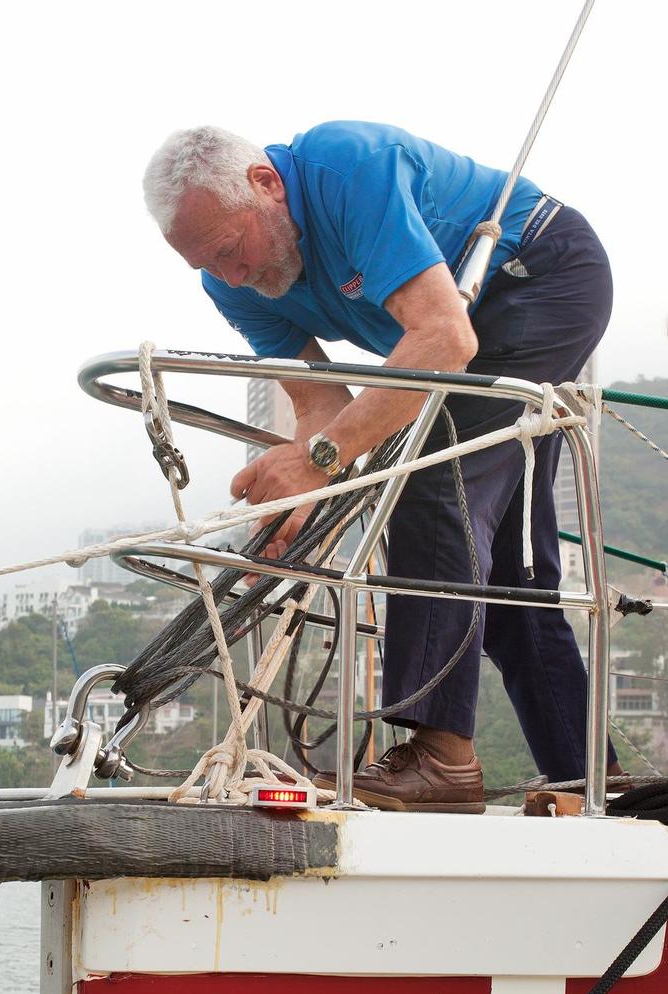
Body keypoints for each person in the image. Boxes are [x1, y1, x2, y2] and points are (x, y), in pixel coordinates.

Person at [143, 121, 621, 812]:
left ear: (266, 184)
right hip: (462, 337)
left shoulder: (346, 168)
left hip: (538, 275)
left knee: (430, 486)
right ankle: (591, 779)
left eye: (230, 250)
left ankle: (440, 762)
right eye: (207, 267)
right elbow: (317, 406)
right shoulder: (235, 288)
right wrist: (301, 498)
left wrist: (319, 461)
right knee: (508, 575)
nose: (231, 277)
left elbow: (442, 336)